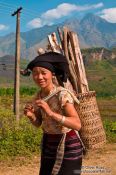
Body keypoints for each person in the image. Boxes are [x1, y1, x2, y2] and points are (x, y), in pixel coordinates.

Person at [23, 52, 84, 175]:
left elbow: (77, 124)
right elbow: (39, 123)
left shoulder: (62, 95)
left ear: (52, 74)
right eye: (35, 73)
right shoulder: (39, 96)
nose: (39, 77)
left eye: (43, 73)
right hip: (49, 146)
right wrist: (32, 116)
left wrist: (50, 113)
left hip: (68, 146)